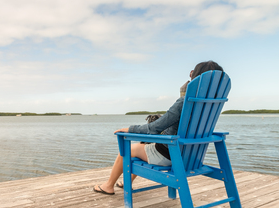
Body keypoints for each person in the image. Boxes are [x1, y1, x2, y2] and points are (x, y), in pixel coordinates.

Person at [93, 61, 224, 195]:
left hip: (169, 155)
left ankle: (108, 186)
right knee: (144, 144)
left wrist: (130, 129)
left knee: (127, 149)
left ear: (193, 75)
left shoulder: (184, 101)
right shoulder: (213, 105)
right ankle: (127, 182)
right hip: (193, 157)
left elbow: (155, 127)